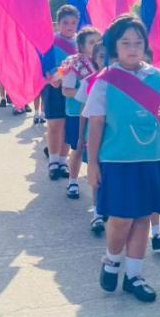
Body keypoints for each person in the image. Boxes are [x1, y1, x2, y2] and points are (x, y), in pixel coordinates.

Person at [84, 14, 160, 304]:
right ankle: (112, 259)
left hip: (151, 158)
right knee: (121, 218)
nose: (133, 48)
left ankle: (134, 276)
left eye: (138, 42)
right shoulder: (105, 81)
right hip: (117, 161)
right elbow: (96, 124)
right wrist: (93, 164)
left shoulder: (156, 77)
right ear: (114, 47)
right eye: (126, 43)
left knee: (142, 217)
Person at [61, 27, 101, 200]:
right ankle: (73, 181)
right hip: (77, 113)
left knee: (97, 149)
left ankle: (98, 184)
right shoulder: (74, 64)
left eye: (98, 41)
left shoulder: (103, 62)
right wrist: (87, 94)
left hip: (97, 115)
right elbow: (66, 90)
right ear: (82, 46)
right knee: (78, 148)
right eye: (92, 42)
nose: (96, 45)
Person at [44, 5, 80, 180]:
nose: (69, 26)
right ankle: (53, 162)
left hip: (72, 90)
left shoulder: (80, 42)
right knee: (54, 126)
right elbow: (44, 62)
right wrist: (51, 76)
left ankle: (63, 161)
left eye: (73, 22)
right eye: (65, 22)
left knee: (67, 126)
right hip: (54, 87)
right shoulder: (50, 41)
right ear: (58, 24)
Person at [76, 40, 107, 234]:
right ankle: (96, 212)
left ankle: (108, 208)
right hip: (94, 137)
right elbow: (84, 113)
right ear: (94, 59)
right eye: (102, 56)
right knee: (96, 174)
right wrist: (81, 137)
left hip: (113, 138)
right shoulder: (90, 81)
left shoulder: (122, 81)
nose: (106, 60)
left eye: (109, 56)